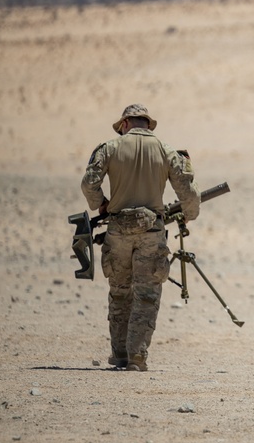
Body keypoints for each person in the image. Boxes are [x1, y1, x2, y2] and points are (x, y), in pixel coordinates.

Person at [81, 104, 200, 372]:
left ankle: (120, 354)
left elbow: (88, 183)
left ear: (125, 124)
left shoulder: (110, 148)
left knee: (119, 292)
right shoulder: (165, 149)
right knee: (146, 294)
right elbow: (187, 191)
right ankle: (137, 356)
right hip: (151, 232)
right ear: (147, 124)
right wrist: (190, 215)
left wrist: (101, 204)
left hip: (117, 229)